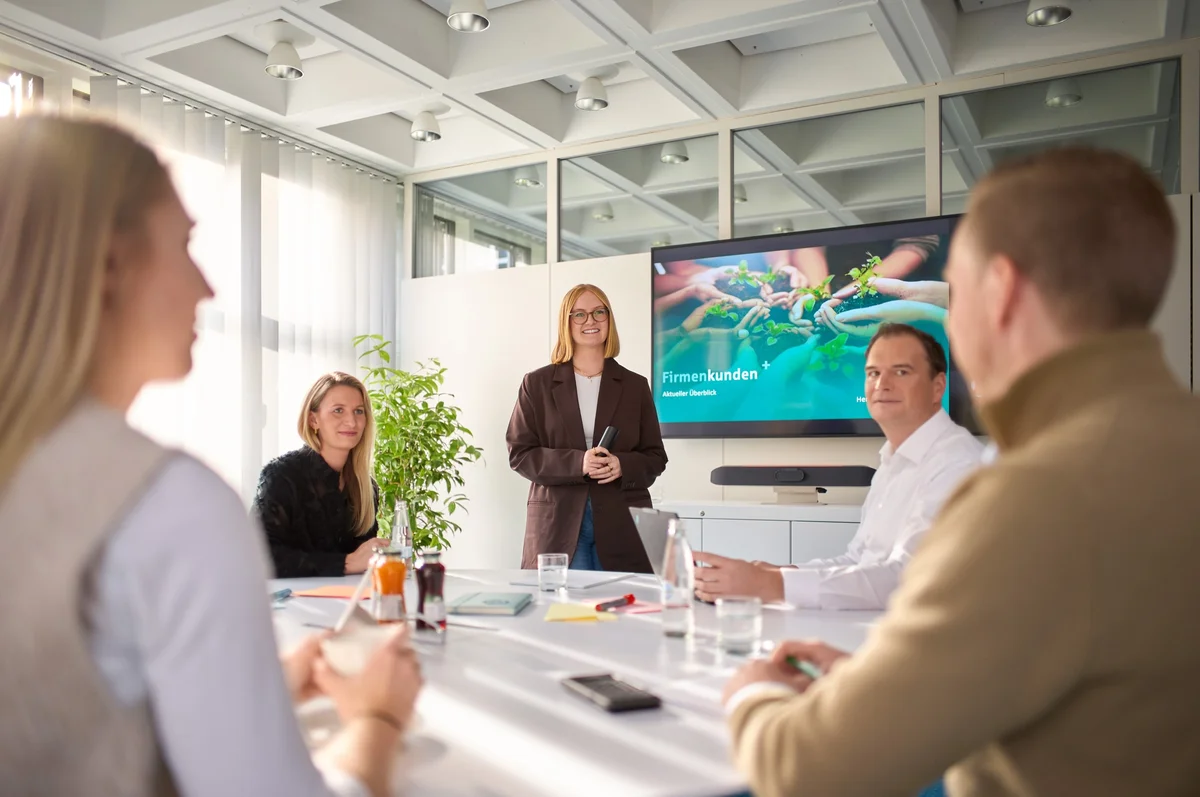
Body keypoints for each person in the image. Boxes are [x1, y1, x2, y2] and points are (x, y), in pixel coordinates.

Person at [721, 147, 1200, 796]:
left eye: (957, 298)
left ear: (1000, 292)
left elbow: (806, 766)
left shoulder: (1037, 493)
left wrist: (751, 694)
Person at [0, 115, 420, 797]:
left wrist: (256, 686)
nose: (209, 288)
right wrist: (377, 716)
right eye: (184, 244)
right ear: (110, 263)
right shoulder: (169, 505)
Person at [694, 323, 983, 610]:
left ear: (938, 388)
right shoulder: (891, 462)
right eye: (873, 373)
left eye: (901, 371)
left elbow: (910, 578)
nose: (882, 384)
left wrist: (769, 585)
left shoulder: (957, 464)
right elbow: (857, 560)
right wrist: (777, 573)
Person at [507, 284, 668, 572]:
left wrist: (622, 464)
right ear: (566, 323)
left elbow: (656, 457)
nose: (590, 321)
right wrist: (578, 462)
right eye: (578, 314)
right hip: (559, 523)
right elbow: (520, 454)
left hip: (622, 522)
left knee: (621, 612)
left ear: (609, 319)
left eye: (598, 312)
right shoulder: (537, 384)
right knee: (569, 613)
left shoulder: (635, 386)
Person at [254, 372, 383, 578]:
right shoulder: (281, 475)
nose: (351, 422)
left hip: (349, 604)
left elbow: (363, 563)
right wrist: (346, 563)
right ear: (313, 420)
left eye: (358, 411)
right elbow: (259, 557)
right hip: (292, 606)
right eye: (338, 410)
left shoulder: (366, 487)